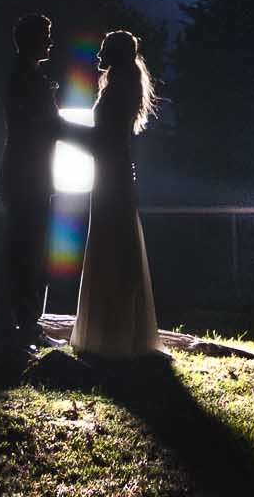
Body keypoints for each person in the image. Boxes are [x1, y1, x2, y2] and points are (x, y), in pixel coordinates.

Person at [71, 28, 163, 359]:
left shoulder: (116, 92)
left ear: (116, 55)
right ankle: (119, 330)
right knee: (116, 246)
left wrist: (58, 128)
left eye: (104, 48)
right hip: (113, 173)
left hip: (111, 175)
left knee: (112, 246)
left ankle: (111, 332)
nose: (98, 54)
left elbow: (102, 139)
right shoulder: (121, 88)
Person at [0, 12, 60, 353]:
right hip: (27, 176)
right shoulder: (24, 79)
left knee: (26, 250)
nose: (51, 40)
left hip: (27, 175)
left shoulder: (27, 76)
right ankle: (19, 324)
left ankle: (18, 322)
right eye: (46, 34)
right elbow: (45, 125)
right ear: (32, 39)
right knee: (26, 251)